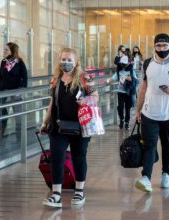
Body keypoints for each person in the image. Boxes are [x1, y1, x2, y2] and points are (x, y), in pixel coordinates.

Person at [40, 48, 99, 208]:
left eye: (69, 60)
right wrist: (45, 122)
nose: (65, 62)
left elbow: (95, 97)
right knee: (57, 158)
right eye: (63, 59)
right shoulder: (56, 79)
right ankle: (56, 194)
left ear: (76, 62)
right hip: (58, 125)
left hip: (80, 126)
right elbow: (52, 102)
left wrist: (85, 101)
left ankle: (79, 191)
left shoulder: (85, 78)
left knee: (78, 157)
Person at [134, 33, 169, 192]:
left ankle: (166, 174)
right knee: (149, 146)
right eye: (158, 46)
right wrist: (138, 109)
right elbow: (143, 88)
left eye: (165, 46)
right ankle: (146, 178)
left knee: (167, 145)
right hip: (149, 113)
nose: (162, 48)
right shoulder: (147, 64)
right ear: (154, 46)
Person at [0, 42, 28, 146]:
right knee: (2, 115)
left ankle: (20, 140)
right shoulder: (3, 62)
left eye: (6, 50)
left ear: (12, 51)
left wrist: (21, 91)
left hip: (16, 93)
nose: (4, 51)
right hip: (4, 93)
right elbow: (0, 77)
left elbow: (25, 77)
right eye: (4, 49)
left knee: (18, 117)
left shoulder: (20, 62)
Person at [107, 55, 137, 130]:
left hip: (128, 92)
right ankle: (121, 119)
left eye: (125, 63)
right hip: (120, 92)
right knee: (120, 107)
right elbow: (113, 78)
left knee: (128, 108)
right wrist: (108, 81)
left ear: (128, 63)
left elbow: (136, 80)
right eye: (122, 63)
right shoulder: (119, 71)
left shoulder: (131, 71)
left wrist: (129, 78)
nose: (123, 65)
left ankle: (127, 122)